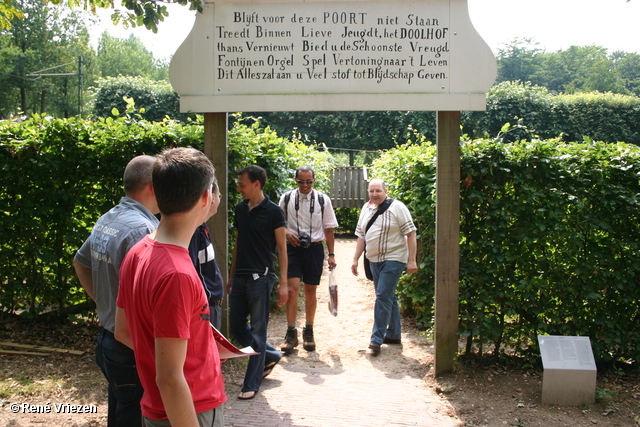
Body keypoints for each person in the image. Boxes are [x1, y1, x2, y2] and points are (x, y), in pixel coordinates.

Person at [114, 147, 226, 426]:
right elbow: (170, 378)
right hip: (189, 409)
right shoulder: (178, 274)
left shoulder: (138, 251)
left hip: (157, 409)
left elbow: (123, 331)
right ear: (205, 197)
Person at [73, 155, 158, 427]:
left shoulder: (110, 217)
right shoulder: (143, 230)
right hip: (131, 347)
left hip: (109, 341)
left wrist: (105, 303)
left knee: (120, 413)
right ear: (153, 188)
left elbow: (80, 262)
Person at [226, 165, 288, 400]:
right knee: (236, 327)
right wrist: (231, 276)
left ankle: (250, 384)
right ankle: (270, 355)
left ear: (256, 184)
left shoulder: (274, 212)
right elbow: (238, 242)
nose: (239, 188)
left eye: (242, 184)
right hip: (240, 277)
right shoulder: (240, 209)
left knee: (259, 332)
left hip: (261, 278)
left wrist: (283, 283)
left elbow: (282, 248)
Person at [351, 178, 417, 356]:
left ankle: (376, 339)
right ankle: (394, 335)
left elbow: (411, 233)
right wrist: (355, 258)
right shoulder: (366, 208)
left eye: (378, 191)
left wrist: (412, 260)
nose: (374, 194)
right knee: (388, 297)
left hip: (393, 259)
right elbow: (361, 236)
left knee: (382, 296)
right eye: (371, 191)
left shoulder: (398, 207)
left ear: (385, 191)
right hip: (373, 260)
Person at [279, 165, 338, 354]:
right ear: (295, 180)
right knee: (292, 289)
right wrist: (287, 233)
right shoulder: (286, 198)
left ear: (314, 180)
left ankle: (309, 331)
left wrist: (331, 255)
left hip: (314, 249)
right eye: (301, 181)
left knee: (311, 290)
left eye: (309, 181)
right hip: (293, 249)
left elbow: (328, 228)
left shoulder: (322, 199)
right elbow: (278, 224)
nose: (305, 185)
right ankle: (291, 332)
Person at [188, 180, 224, 330]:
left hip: (212, 307)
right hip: (204, 310)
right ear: (211, 197)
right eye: (220, 195)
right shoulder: (194, 230)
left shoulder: (202, 226)